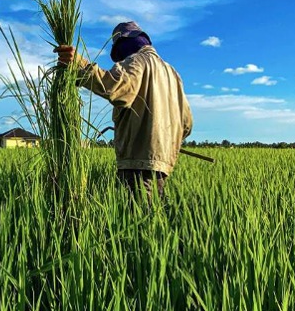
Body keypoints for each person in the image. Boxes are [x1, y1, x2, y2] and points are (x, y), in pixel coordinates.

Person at [54, 21, 193, 199]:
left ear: (125, 42)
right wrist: (166, 140)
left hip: (137, 162)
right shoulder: (173, 73)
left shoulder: (137, 61)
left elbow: (114, 86)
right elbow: (187, 124)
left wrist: (79, 64)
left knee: (136, 219)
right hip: (163, 165)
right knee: (154, 217)